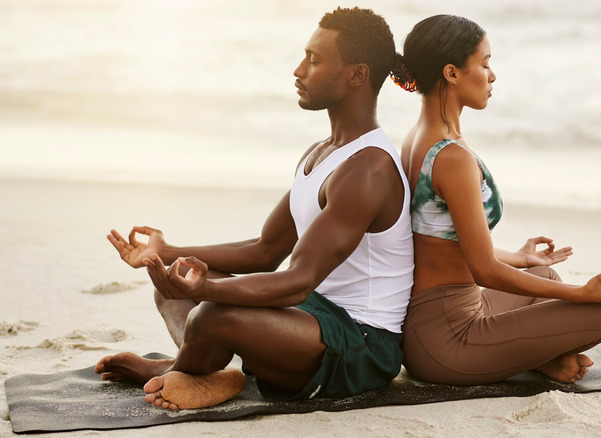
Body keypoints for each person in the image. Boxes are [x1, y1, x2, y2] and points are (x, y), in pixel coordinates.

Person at [95, 7, 414, 410]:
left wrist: (209, 289)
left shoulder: (368, 168)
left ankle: (178, 369)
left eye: (314, 60)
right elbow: (263, 250)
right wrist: (166, 254)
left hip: (360, 342)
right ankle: (205, 371)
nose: (298, 70)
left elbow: (298, 279)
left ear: (357, 74)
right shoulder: (321, 153)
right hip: (312, 313)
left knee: (211, 313)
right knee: (173, 290)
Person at [390, 15, 601, 386]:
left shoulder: (418, 136)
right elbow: (484, 271)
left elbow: (445, 241)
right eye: (484, 64)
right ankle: (543, 357)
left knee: (542, 272)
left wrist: (522, 257)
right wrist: (580, 293)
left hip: (439, 315)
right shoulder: (451, 157)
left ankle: (544, 358)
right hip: (446, 340)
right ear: (452, 72)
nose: (492, 75)